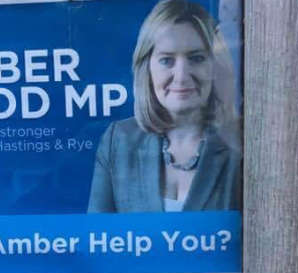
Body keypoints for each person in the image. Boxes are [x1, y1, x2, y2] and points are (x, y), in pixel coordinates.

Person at [88, 0, 241, 213]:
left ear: (215, 66)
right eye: (167, 60)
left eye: (196, 58)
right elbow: (98, 241)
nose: (181, 76)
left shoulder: (240, 141)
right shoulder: (118, 141)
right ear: (146, 68)